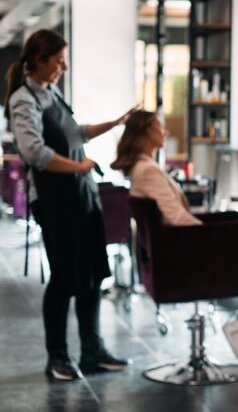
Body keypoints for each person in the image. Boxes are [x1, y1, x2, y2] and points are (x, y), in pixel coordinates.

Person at [4, 29, 134, 381]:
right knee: (64, 278)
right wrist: (81, 166)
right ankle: (57, 358)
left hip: (82, 196)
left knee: (92, 275)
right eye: (58, 59)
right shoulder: (23, 99)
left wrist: (115, 123)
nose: (64, 65)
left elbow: (75, 132)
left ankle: (92, 352)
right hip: (55, 201)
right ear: (40, 60)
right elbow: (35, 153)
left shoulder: (52, 92)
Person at [110, 110, 238, 371]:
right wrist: (218, 237)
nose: (164, 132)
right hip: (183, 255)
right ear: (145, 133)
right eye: (159, 127)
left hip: (177, 249)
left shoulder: (143, 167)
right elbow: (177, 217)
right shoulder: (147, 170)